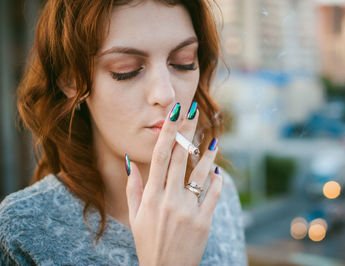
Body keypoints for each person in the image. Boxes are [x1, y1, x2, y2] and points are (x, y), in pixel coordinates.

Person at [0, 0, 248, 265]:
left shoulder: (217, 196)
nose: (166, 94)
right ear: (70, 80)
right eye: (126, 70)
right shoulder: (22, 231)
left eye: (183, 62)